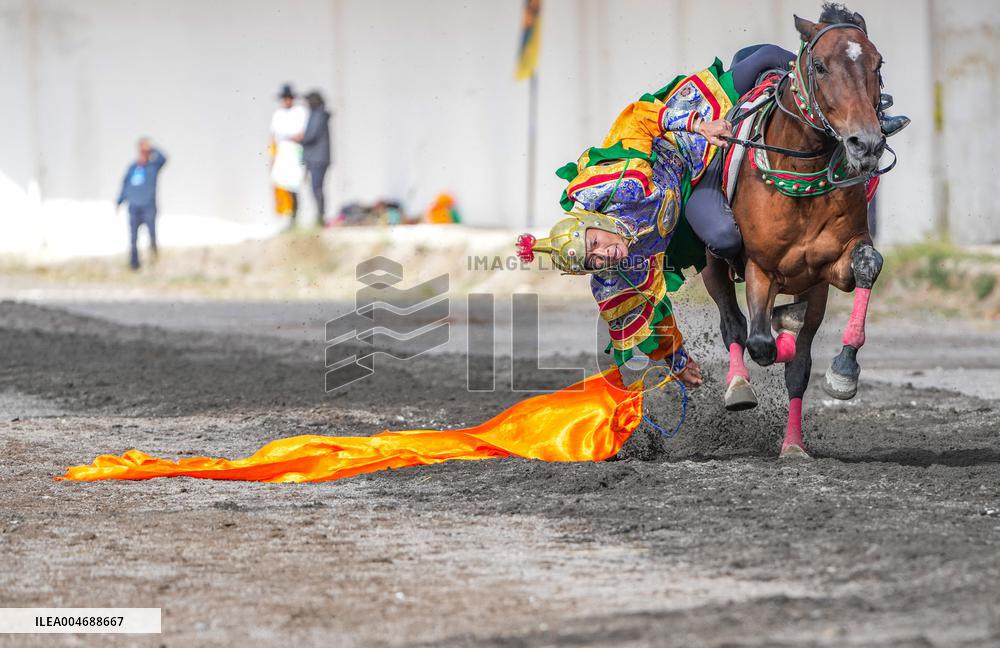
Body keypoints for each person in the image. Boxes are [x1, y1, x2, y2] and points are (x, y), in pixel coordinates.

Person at [517, 48, 801, 387]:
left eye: (594, 243)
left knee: (765, 57)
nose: (602, 255)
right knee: (725, 238)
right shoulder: (617, 279)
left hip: (689, 135)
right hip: (694, 191)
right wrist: (678, 361)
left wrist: (700, 125)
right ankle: (763, 294)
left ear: (594, 223)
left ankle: (851, 107)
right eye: (593, 262)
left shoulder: (617, 184)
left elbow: (637, 117)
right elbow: (649, 318)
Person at [116, 138, 167, 270]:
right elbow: (125, 184)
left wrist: (152, 148)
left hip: (148, 206)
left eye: (146, 151)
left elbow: (164, 158)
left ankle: (154, 260)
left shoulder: (153, 167)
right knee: (133, 237)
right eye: (142, 151)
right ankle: (134, 263)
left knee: (151, 234)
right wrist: (120, 200)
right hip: (134, 206)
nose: (144, 153)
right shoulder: (133, 167)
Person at [269, 84, 308, 226]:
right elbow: (274, 136)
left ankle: (295, 215)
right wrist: (272, 157)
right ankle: (288, 216)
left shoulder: (300, 112)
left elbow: (301, 135)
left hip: (296, 151)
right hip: (282, 152)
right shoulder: (278, 114)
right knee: (281, 182)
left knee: (295, 183)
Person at [298, 90, 332, 226]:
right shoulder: (317, 115)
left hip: (318, 159)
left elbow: (310, 135)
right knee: (315, 188)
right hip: (316, 158)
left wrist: (299, 138)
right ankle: (319, 215)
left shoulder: (318, 115)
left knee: (316, 188)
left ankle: (320, 216)